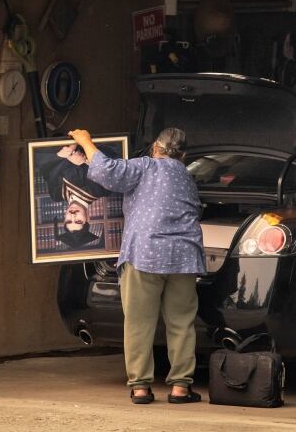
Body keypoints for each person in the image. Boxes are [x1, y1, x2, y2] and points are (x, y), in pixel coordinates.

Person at [68, 127, 206, 405]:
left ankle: (141, 387)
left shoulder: (144, 167)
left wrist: (85, 141)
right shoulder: (187, 176)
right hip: (184, 255)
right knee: (181, 323)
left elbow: (106, 171)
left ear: (155, 148)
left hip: (145, 253)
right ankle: (180, 388)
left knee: (139, 323)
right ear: (183, 155)